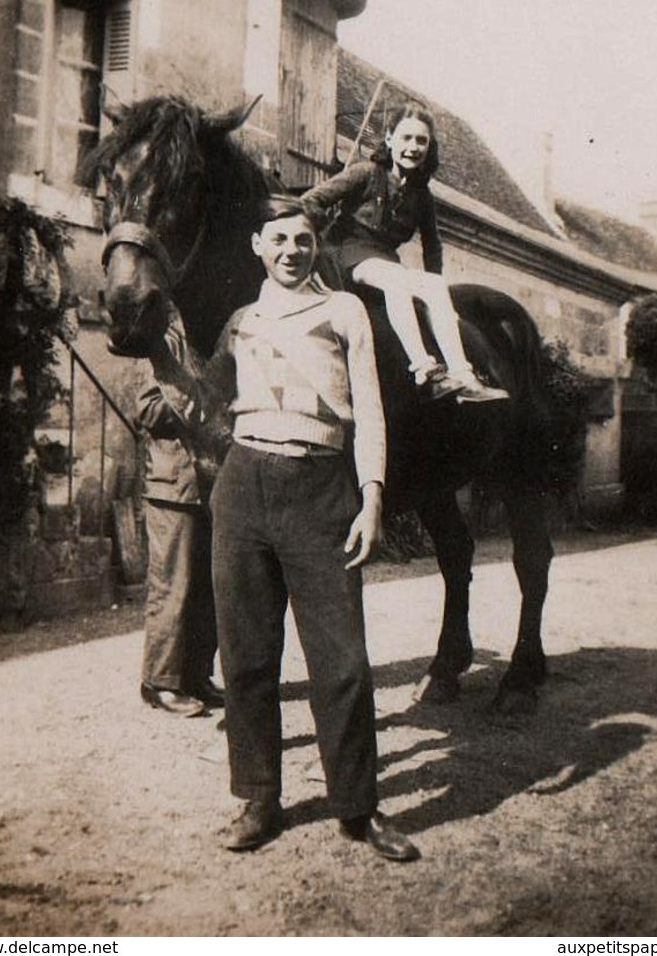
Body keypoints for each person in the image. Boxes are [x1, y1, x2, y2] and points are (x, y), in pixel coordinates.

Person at [189, 196, 419, 861]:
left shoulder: (343, 311)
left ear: (317, 247)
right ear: (259, 246)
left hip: (323, 490)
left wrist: (372, 498)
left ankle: (358, 808)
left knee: (341, 660)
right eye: (279, 240)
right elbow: (208, 403)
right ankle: (258, 799)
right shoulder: (239, 321)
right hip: (244, 486)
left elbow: (370, 411)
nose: (292, 250)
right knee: (248, 656)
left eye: (303, 240)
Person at [302, 101, 509, 404]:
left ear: (429, 146)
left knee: (434, 285)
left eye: (421, 140)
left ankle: (463, 376)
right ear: (389, 139)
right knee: (397, 280)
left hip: (385, 261)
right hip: (346, 253)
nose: (413, 147)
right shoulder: (365, 173)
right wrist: (319, 243)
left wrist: (434, 295)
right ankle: (424, 369)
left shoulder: (422, 196)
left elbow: (432, 246)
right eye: (406, 138)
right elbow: (311, 200)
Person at [136, 378, 224, 718]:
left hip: (206, 484)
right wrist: (197, 404)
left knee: (207, 588)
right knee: (172, 585)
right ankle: (160, 682)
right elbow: (146, 409)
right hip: (172, 487)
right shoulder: (164, 340)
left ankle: (195, 676)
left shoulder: (205, 342)